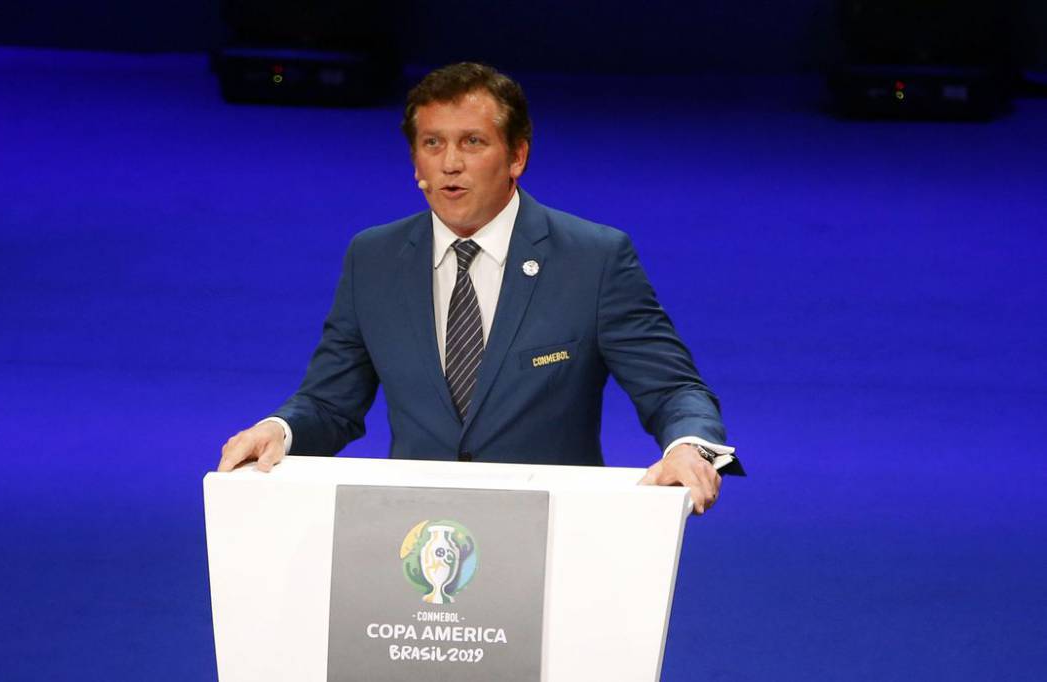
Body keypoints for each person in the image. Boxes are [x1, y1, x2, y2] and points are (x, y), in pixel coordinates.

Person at [218, 63, 741, 514]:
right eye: (432, 143)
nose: (450, 163)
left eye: (472, 142)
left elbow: (672, 389)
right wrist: (279, 429)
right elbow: (331, 403)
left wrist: (690, 447)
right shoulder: (373, 258)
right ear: (415, 161)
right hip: (415, 540)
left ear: (517, 157)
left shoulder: (593, 259)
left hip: (553, 532)